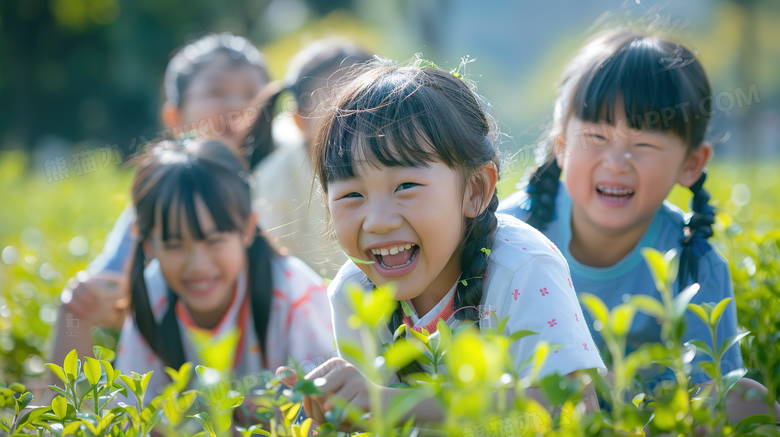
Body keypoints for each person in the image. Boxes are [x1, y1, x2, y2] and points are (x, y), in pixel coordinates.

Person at [290, 57, 605, 428]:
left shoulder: (521, 267)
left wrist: (394, 404)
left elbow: (574, 406)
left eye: (405, 186)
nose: (377, 221)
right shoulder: (354, 293)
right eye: (351, 195)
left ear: (475, 189)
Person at [498, 28, 779, 421]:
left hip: (654, 424)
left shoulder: (696, 265)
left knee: (746, 399)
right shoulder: (506, 236)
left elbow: (710, 390)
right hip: (536, 418)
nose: (617, 162)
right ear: (561, 147)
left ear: (691, 163)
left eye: (644, 144)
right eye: (596, 137)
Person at [51, 33, 274, 369]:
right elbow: (113, 284)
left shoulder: (286, 175)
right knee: (76, 301)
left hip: (271, 351)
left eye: (250, 94)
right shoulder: (162, 191)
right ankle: (63, 411)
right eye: (216, 92)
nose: (235, 106)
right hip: (182, 357)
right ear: (174, 117)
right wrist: (87, 299)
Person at [112, 140, 334, 396]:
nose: (198, 265)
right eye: (174, 245)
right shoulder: (153, 300)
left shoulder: (295, 297)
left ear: (248, 227)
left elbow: (329, 410)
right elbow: (135, 416)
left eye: (215, 241)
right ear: (147, 241)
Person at [251, 39, 373, 278]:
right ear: (300, 121)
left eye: (367, 104)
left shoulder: (404, 157)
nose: (354, 121)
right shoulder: (274, 180)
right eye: (335, 110)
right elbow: (275, 268)